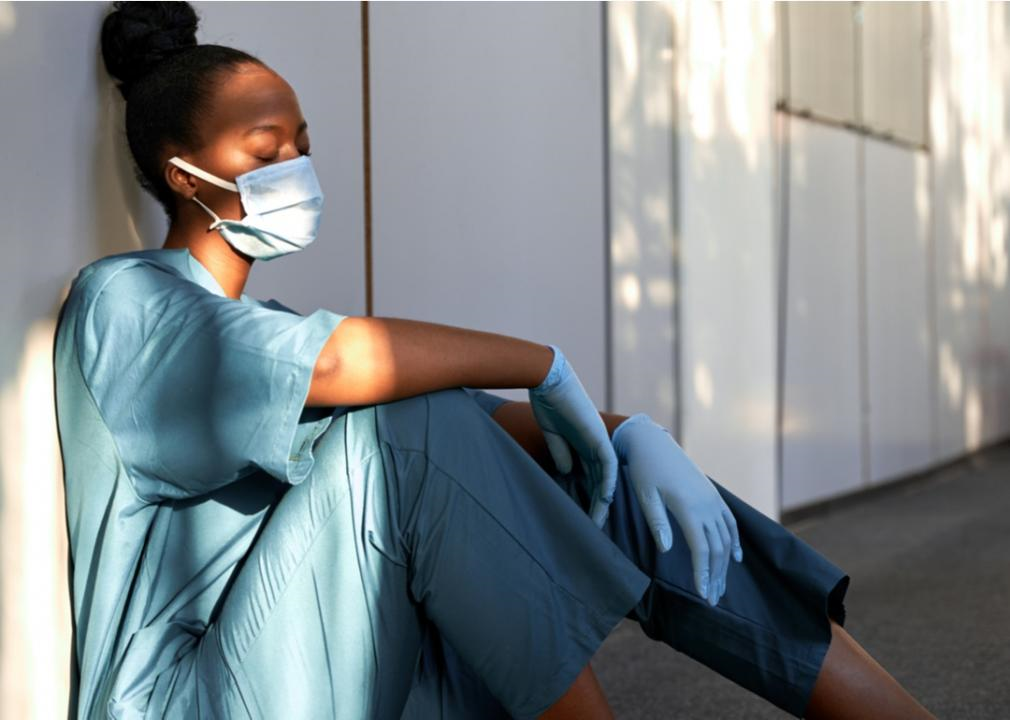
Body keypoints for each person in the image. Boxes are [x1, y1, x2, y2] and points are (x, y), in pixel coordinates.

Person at [53, 2, 936, 718]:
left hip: (346, 659)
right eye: (263, 150)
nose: (295, 166)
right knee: (406, 424)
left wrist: (625, 435)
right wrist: (543, 363)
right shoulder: (128, 301)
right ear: (183, 173)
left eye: (302, 144)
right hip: (193, 694)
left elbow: (479, 438)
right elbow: (344, 371)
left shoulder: (268, 325)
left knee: (607, 472)